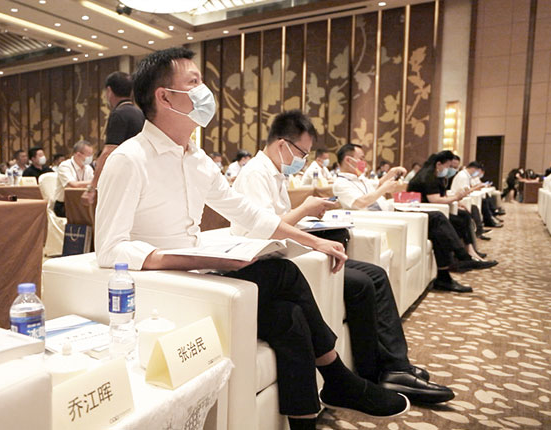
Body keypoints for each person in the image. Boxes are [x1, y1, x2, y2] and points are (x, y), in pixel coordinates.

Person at [96, 47, 410, 430]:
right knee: (283, 273)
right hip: (161, 288)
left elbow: (248, 213)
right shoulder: (129, 159)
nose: (205, 92)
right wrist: (186, 258)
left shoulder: (197, 160)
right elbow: (109, 248)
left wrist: (314, 241)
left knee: (291, 317)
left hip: (200, 279)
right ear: (164, 97)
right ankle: (339, 379)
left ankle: (308, 419)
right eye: (194, 82)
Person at [232, 110, 454, 404]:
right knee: (360, 284)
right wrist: (306, 213)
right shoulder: (255, 174)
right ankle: (374, 371)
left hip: (290, 251)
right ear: (283, 144)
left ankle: (395, 365)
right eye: (302, 153)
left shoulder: (276, 175)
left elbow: (280, 223)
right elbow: (264, 228)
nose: (304, 161)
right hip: (274, 261)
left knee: (376, 274)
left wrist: (312, 224)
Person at [335, 145, 496, 293]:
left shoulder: (360, 178)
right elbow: (360, 202)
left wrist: (391, 173)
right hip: (379, 219)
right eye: (361, 158)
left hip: (390, 212)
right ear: (349, 160)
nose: (364, 162)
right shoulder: (341, 183)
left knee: (436, 228)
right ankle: (462, 257)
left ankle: (445, 275)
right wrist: (384, 189)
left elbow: (376, 186)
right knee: (437, 218)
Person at [407, 150, 497, 270]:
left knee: (463, 216)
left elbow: (441, 196)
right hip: (423, 212)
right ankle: (463, 256)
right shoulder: (428, 177)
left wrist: (457, 201)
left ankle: (470, 252)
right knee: (455, 220)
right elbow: (435, 200)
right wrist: (456, 197)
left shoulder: (436, 176)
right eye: (449, 166)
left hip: (433, 210)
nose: (450, 170)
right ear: (438, 164)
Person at [81, 71, 145, 206]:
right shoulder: (140, 113)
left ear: (109, 91)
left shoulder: (118, 114)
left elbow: (108, 152)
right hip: (141, 176)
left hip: (124, 179)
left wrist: (91, 188)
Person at [53, 141, 94, 218]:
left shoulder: (88, 168)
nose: (91, 158)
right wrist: (93, 182)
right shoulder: (65, 166)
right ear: (78, 154)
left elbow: (93, 185)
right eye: (89, 155)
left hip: (82, 202)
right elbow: (73, 184)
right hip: (64, 205)